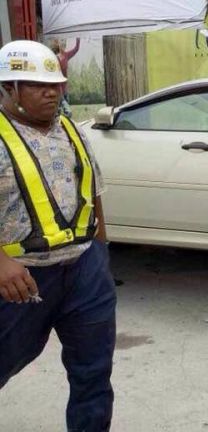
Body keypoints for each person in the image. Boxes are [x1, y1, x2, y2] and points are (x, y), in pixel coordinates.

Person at [0, 40, 116, 431]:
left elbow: (94, 192)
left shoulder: (71, 130)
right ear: (9, 87)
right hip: (19, 279)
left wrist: (100, 253)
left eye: (56, 83)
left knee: (93, 373)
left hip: (85, 271)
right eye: (37, 84)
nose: (52, 91)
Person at [50, 38, 81, 117]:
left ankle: (61, 126)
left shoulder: (66, 55)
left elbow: (76, 49)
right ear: (58, 44)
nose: (63, 44)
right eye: (62, 41)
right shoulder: (54, 57)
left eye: (65, 42)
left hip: (65, 89)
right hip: (58, 88)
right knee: (68, 112)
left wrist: (78, 38)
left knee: (59, 112)